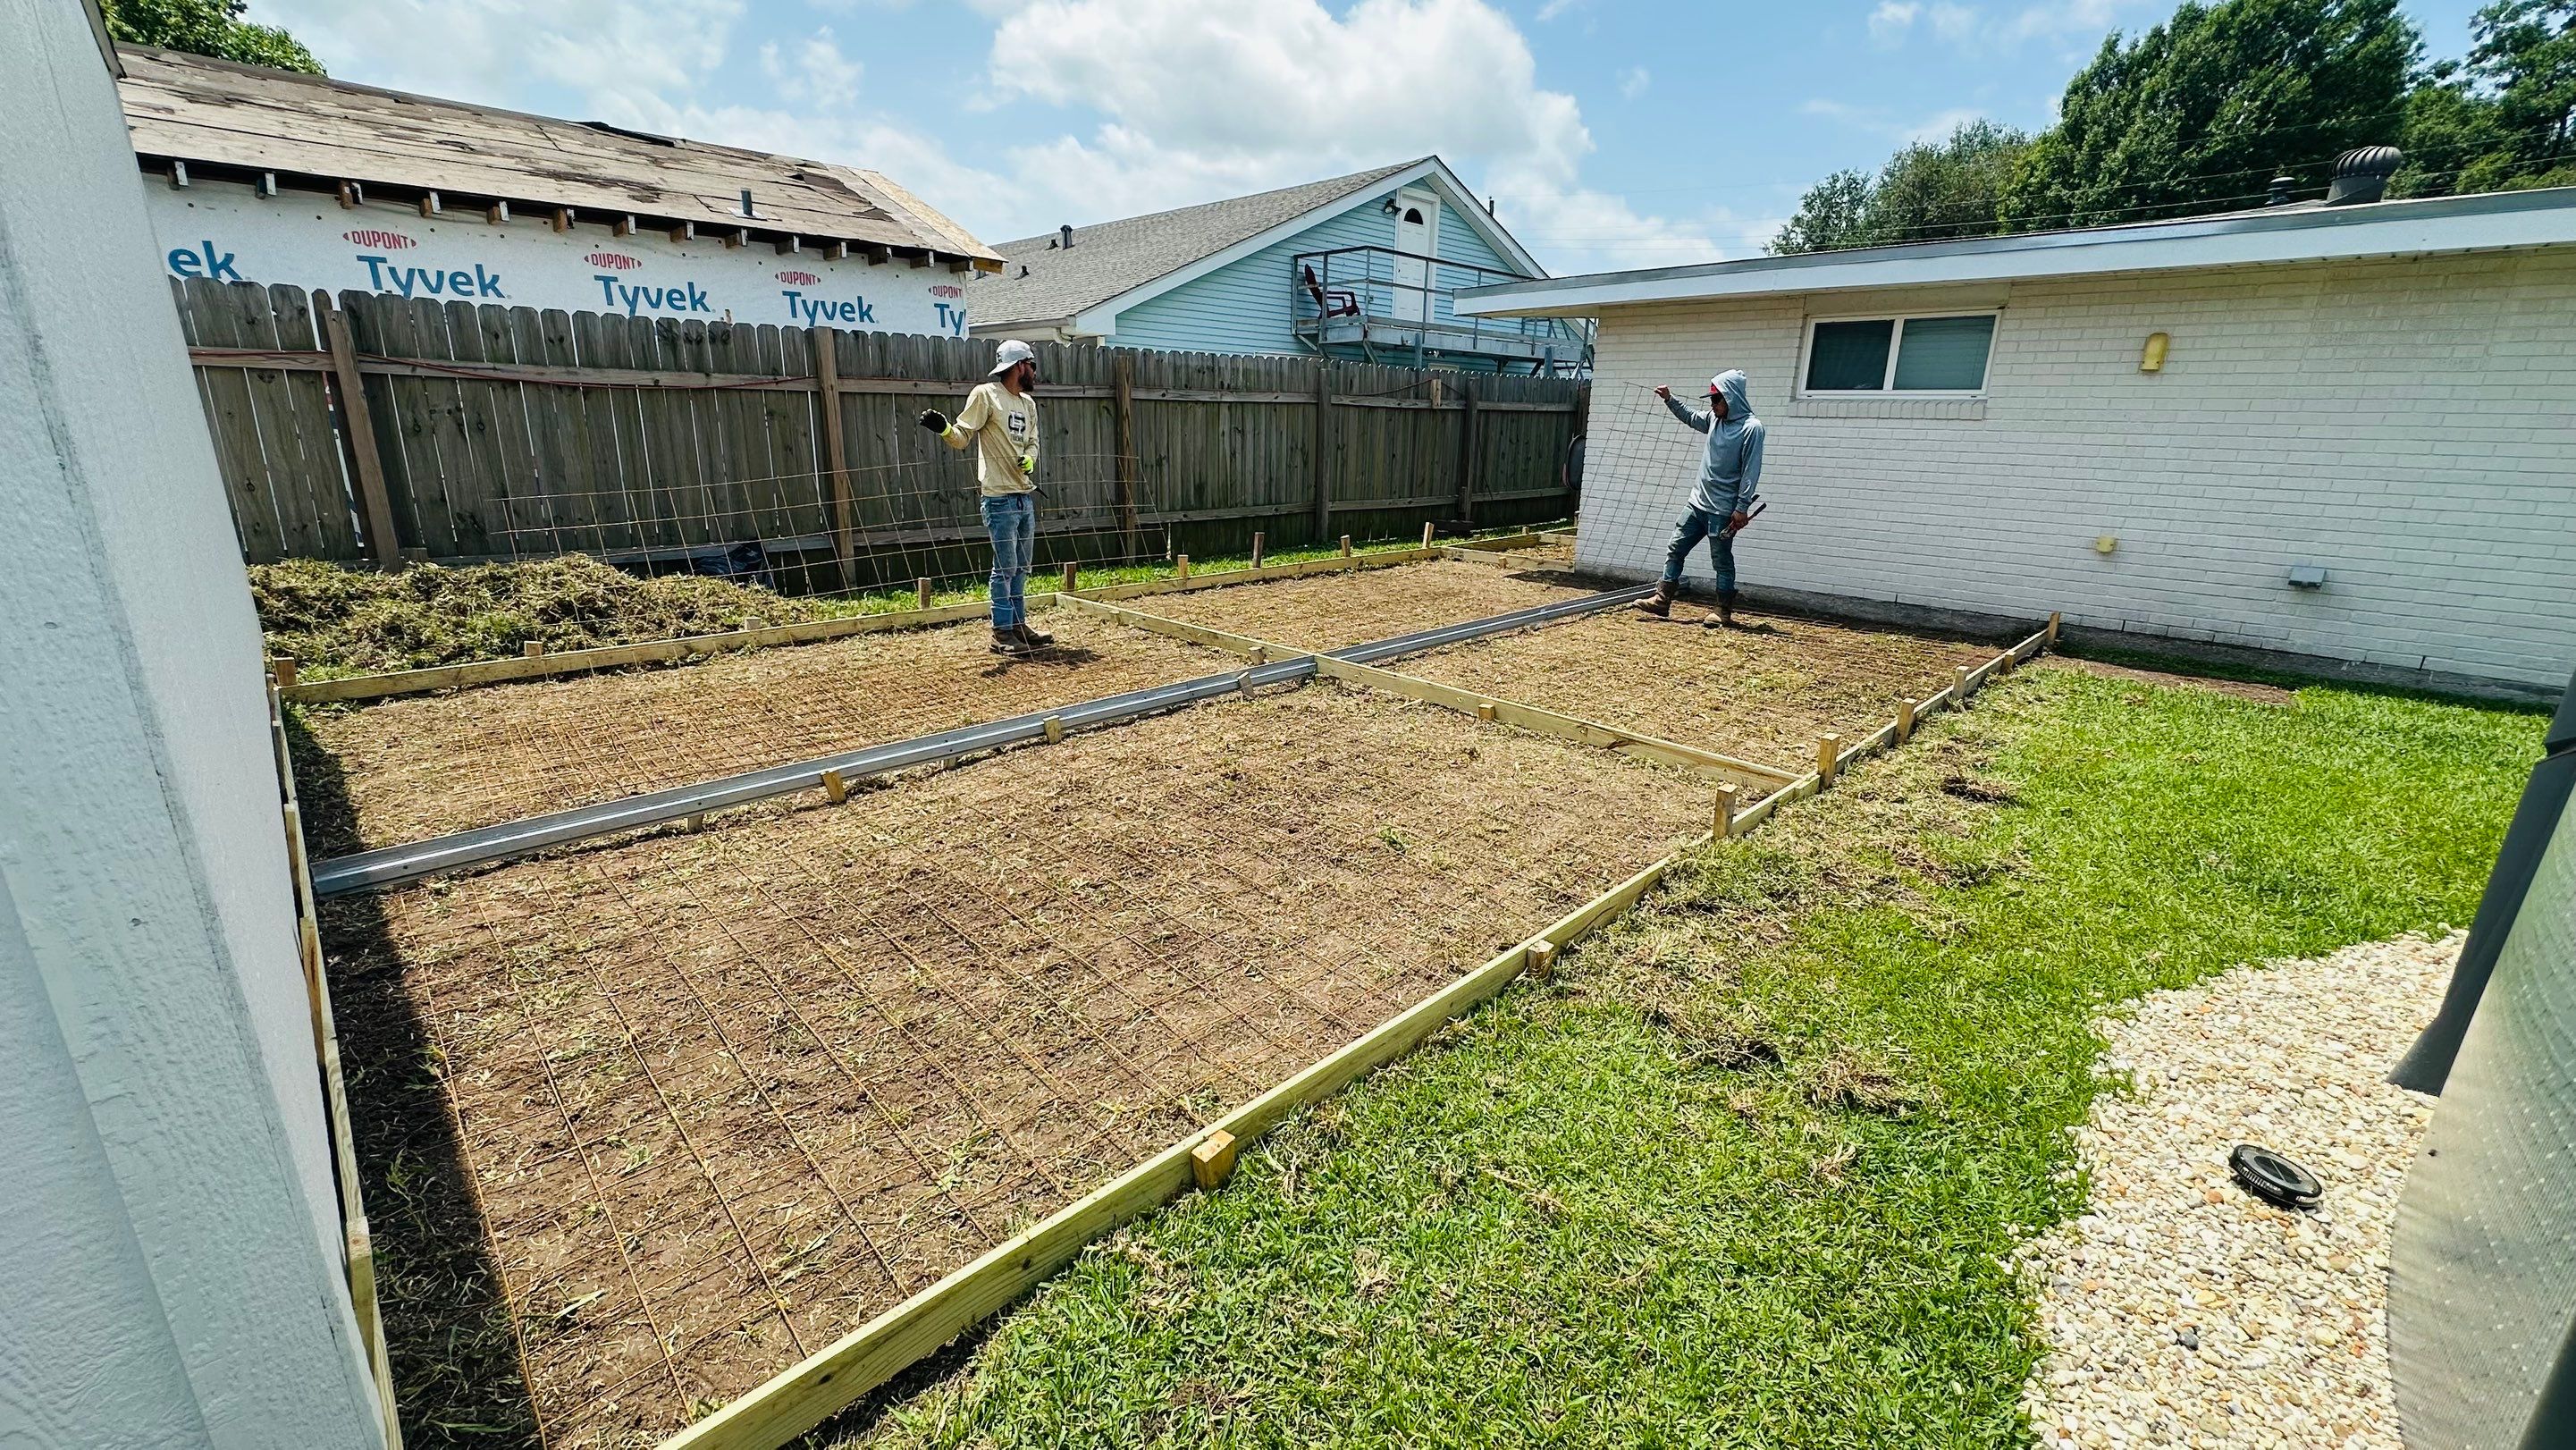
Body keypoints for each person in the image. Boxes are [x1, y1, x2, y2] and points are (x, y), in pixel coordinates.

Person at [920, 339, 1049, 655]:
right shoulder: (986, 395)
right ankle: (1002, 632)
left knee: (1021, 567)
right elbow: (962, 437)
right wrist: (945, 429)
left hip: (1024, 497)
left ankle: (1018, 624)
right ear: (1019, 366)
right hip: (999, 499)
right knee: (1004, 568)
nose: (1034, 371)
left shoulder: (1028, 404)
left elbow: (1033, 442)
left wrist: (1030, 459)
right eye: (1031, 365)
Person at [1632, 368, 1764, 628]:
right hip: (1697, 504)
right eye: (1711, 399)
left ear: (1731, 397)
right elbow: (1691, 417)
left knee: (1721, 561)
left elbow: (1751, 471)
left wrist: (1741, 508)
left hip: (1722, 510)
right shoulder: (1714, 419)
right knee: (1676, 547)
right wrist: (1670, 400)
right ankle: (1662, 599)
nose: (1712, 405)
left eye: (1716, 399)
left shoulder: (1751, 428)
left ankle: (1722, 611)